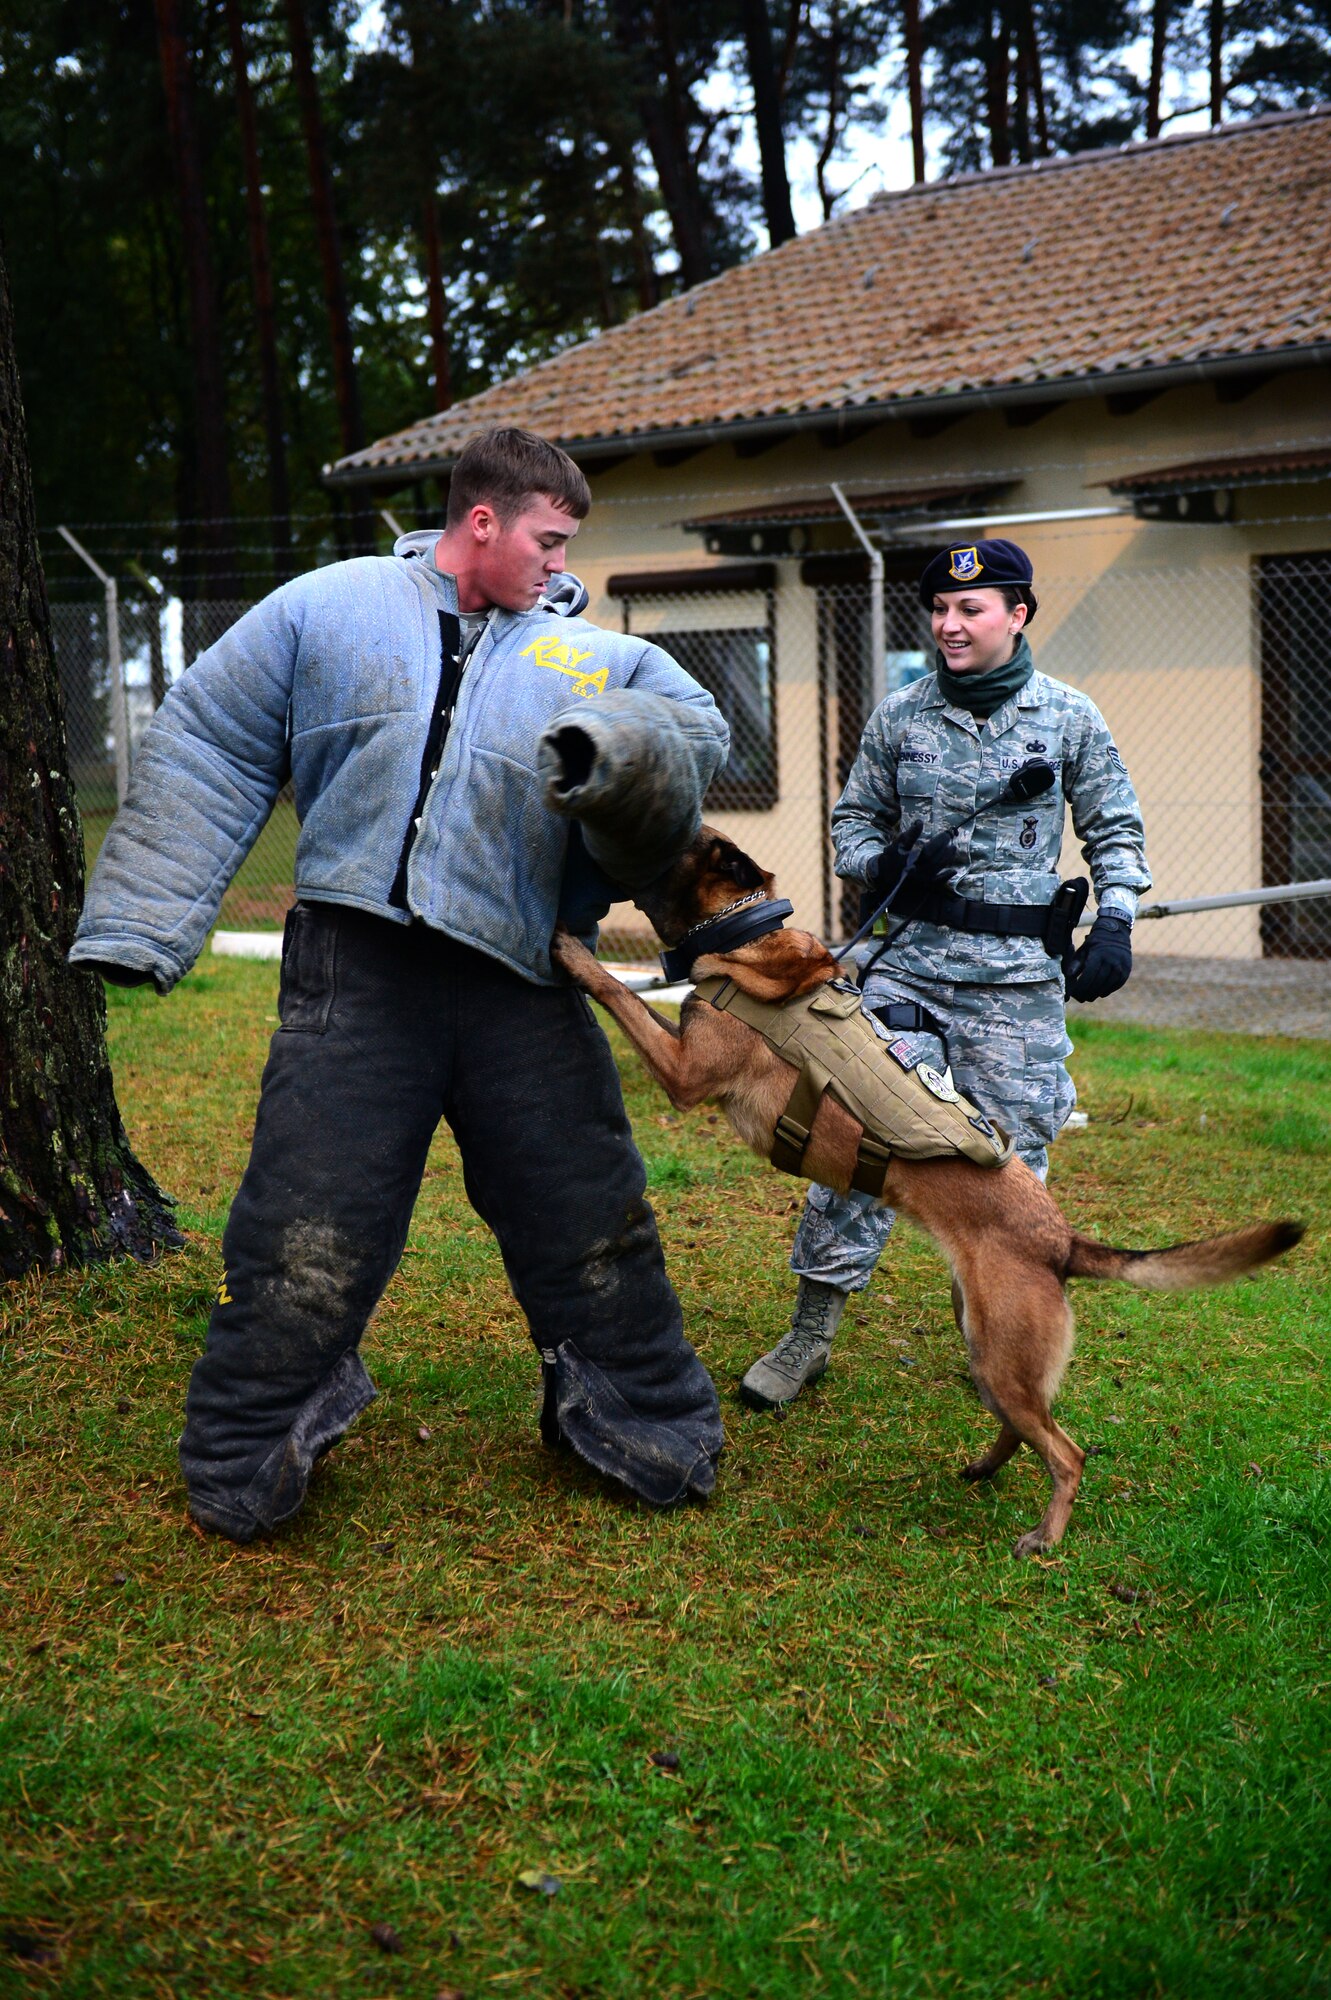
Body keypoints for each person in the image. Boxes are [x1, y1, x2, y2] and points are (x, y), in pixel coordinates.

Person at [71, 426, 730, 1537]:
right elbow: (214, 740)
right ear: (483, 521)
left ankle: (650, 1420)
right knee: (302, 1223)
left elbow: (695, 736)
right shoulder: (325, 607)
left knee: (585, 1212)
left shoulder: (598, 656)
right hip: (356, 971)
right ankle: (245, 1452)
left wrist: (618, 748)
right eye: (550, 540)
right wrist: (144, 919)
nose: (561, 566)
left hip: (522, 976)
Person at [740, 538, 1150, 1409]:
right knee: (855, 1150)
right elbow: (849, 829)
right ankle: (807, 1336)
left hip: (1016, 985)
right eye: (939, 610)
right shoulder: (900, 716)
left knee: (1010, 1169)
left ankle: (995, 1331)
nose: (948, 624)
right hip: (911, 975)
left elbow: (1116, 828)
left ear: (1017, 615)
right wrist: (889, 863)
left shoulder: (1067, 717)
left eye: (970, 609)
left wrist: (1113, 920)